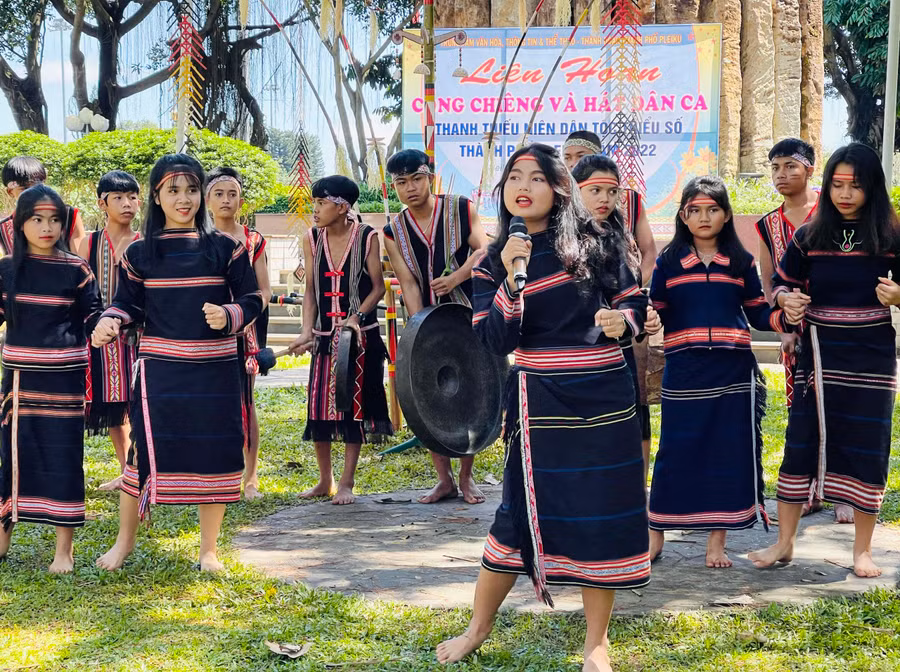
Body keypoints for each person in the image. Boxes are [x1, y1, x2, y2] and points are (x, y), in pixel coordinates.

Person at [436, 145, 649, 672]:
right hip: (539, 398)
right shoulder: (491, 261)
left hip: (604, 393)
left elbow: (632, 301)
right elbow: (494, 339)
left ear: (559, 188)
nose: (523, 185)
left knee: (602, 514)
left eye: (537, 176)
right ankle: (476, 628)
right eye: (514, 176)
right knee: (517, 514)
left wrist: (626, 322)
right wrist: (513, 278)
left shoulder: (600, 242)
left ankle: (596, 643)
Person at [91, 154, 263, 572]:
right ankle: (123, 544)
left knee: (216, 452)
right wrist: (109, 321)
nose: (183, 199)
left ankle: (209, 551)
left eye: (190, 190)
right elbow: (125, 303)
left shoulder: (226, 249)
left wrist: (230, 315)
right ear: (157, 196)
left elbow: (253, 300)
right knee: (143, 452)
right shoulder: (139, 253)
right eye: (173, 190)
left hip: (217, 370)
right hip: (161, 372)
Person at [750, 143, 900, 579]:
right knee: (800, 442)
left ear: (872, 187)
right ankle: (784, 543)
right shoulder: (809, 234)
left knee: (867, 447)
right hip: (819, 354)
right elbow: (780, 282)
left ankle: (863, 550)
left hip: (871, 359)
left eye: (855, 185)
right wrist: (788, 301)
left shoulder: (890, 235)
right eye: (837, 184)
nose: (845, 193)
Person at [644, 176, 793, 568]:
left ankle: (716, 543)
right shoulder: (668, 261)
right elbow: (655, 306)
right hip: (685, 369)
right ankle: (654, 536)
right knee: (675, 452)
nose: (705, 216)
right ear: (683, 216)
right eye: (695, 210)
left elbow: (758, 310)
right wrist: (647, 318)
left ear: (726, 215)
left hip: (732, 373)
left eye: (713, 209)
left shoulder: (740, 262)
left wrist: (784, 316)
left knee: (725, 454)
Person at [0, 185, 102, 572]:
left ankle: (65, 551)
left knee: (63, 457)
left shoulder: (76, 269)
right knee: (10, 456)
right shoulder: (7, 270)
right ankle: (3, 536)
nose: (47, 227)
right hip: (20, 380)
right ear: (20, 223)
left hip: (65, 378)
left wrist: (105, 325)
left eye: (55, 219)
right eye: (37, 219)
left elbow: (93, 313)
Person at [755, 138, 854, 524]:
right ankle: (809, 489)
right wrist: (782, 327)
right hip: (797, 330)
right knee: (802, 408)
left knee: (842, 404)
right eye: (776, 167)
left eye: (790, 166)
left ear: (811, 169)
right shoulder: (768, 224)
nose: (782, 175)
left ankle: (844, 492)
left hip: (842, 324)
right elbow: (768, 282)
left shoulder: (834, 213)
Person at [383, 149, 490, 505]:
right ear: (394, 186)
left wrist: (458, 276)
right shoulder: (392, 230)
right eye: (401, 182)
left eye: (416, 178)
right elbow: (408, 281)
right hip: (426, 320)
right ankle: (443, 479)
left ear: (430, 177)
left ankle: (467, 477)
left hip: (467, 314)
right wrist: (419, 327)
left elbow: (483, 250)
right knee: (428, 396)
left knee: (470, 394)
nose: (410, 188)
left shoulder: (461, 208)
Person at [287, 176, 392, 505]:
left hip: (359, 339)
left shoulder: (366, 237)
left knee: (353, 410)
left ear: (342, 207)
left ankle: (347, 482)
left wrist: (356, 317)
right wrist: (306, 330)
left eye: (321, 203)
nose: (315, 209)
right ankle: (324, 480)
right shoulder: (311, 238)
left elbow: (378, 286)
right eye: (315, 202)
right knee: (319, 410)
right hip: (322, 337)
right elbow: (309, 292)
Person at [573, 154, 657, 483]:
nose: (604, 199)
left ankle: (629, 488)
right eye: (595, 190)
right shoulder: (554, 233)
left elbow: (631, 287)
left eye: (611, 191)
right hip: (570, 347)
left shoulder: (614, 233)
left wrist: (634, 312)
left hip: (613, 341)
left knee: (626, 412)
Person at [207, 166, 271, 501]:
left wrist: (240, 316)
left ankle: (250, 477)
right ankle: (215, 475)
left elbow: (264, 291)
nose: (226, 200)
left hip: (243, 334)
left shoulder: (253, 240)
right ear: (207, 200)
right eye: (219, 194)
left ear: (241, 199)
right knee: (210, 403)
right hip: (205, 333)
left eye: (232, 194)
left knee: (245, 402)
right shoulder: (199, 240)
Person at [75, 171, 142, 492]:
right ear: (102, 203)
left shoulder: (145, 244)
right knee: (113, 406)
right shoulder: (86, 243)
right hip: (99, 341)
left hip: (140, 337)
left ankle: (144, 469)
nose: (127, 204)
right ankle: (127, 470)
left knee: (140, 404)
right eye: (118, 197)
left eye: (132, 197)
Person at [1, 156, 86, 255]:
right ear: (10, 192)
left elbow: (82, 261)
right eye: (25, 188)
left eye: (37, 187)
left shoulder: (68, 216)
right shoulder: (3, 229)